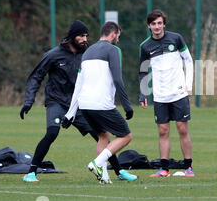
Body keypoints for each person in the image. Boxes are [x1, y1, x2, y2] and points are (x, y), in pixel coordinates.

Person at [20, 20, 123, 182]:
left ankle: (119, 172)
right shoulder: (53, 55)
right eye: (81, 36)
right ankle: (31, 173)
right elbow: (36, 76)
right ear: (72, 37)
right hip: (56, 102)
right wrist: (28, 100)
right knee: (52, 133)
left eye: (86, 36)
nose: (85, 39)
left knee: (101, 135)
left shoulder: (87, 54)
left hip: (79, 104)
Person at [62, 21, 136, 184]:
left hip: (85, 105)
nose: (118, 39)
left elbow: (78, 85)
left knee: (103, 136)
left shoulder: (87, 52)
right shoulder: (113, 50)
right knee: (126, 136)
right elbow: (118, 79)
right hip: (101, 104)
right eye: (118, 36)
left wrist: (70, 114)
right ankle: (97, 163)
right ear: (113, 33)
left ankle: (103, 176)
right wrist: (127, 105)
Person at [139, 9, 194, 177]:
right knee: (163, 130)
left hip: (178, 92)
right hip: (160, 95)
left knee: (182, 128)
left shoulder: (176, 38)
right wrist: (143, 94)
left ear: (164, 24)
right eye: (154, 24)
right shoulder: (145, 46)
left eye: (160, 23)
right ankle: (164, 169)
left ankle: (188, 167)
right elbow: (143, 71)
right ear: (149, 26)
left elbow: (189, 60)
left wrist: (188, 84)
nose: (157, 26)